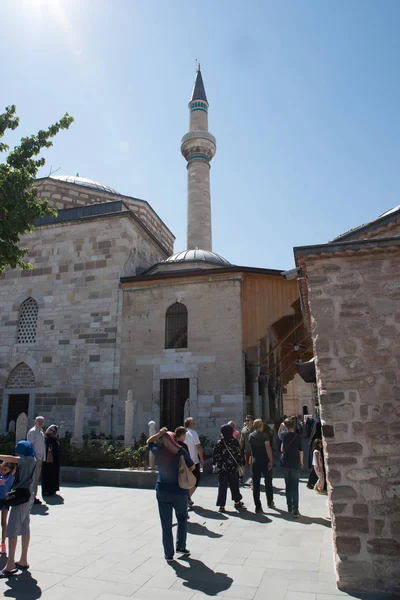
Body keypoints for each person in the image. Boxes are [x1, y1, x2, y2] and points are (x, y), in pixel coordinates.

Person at [147, 426, 194, 561]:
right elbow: (192, 466)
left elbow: (149, 442)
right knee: (182, 519)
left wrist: (159, 433)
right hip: (180, 491)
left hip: (163, 490)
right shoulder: (181, 451)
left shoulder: (159, 451)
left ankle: (168, 554)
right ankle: (181, 547)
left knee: (166, 523)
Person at [0, 440, 36, 577]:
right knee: (25, 526)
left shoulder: (26, 460)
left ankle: (10, 565)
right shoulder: (31, 459)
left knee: (12, 529)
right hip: (28, 495)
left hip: (21, 497)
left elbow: (12, 459)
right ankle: (23, 560)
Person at [213, 424, 244, 512]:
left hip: (222, 468)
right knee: (234, 484)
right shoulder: (234, 442)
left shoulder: (219, 443)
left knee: (222, 486)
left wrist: (216, 464)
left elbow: (215, 455)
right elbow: (238, 454)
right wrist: (240, 463)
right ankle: (237, 501)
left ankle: (221, 505)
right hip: (233, 467)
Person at [249, 419, 275, 513]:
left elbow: (251, 449)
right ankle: (270, 501)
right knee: (268, 481)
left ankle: (258, 506)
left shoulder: (251, 435)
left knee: (256, 484)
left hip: (255, 461)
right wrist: (271, 460)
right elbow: (268, 448)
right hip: (265, 461)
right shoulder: (265, 436)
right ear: (260, 425)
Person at [280, 417, 304, 518]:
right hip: (295, 463)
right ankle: (296, 508)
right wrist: (301, 462)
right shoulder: (298, 437)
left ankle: (289, 506)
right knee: (295, 486)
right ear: (294, 426)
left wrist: (282, 427)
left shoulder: (283, 436)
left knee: (288, 485)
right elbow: (301, 451)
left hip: (285, 462)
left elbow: (282, 449)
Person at [184, 417, 204, 507]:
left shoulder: (182, 433)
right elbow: (198, 447)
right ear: (191, 424)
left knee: (185, 480)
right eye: (194, 423)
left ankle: (186, 498)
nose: (195, 424)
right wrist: (202, 459)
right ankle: (187, 497)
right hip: (193, 461)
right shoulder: (193, 433)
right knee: (196, 480)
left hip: (183, 461)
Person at [27, 416, 45, 504]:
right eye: (39, 421)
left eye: (42, 421)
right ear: (35, 421)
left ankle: (34, 496)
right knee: (33, 479)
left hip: (40, 459)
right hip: (35, 458)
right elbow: (29, 446)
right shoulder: (32, 432)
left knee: (36, 479)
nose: (40, 423)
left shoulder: (41, 432)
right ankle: (31, 497)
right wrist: (34, 457)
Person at [0, 463, 16, 553]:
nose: (3, 471)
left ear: (9, 470)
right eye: (2, 469)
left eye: (5, 469)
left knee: (3, 522)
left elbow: (16, 464)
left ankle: (3, 544)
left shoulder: (10, 476)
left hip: (5, 500)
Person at [41, 424, 60, 496]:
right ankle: (47, 490)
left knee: (53, 474)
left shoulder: (54, 439)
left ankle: (53, 489)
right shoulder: (47, 439)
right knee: (48, 474)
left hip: (54, 461)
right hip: (48, 461)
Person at [240, 415, 254, 483]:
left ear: (252, 421)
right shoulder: (243, 429)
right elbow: (242, 440)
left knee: (251, 466)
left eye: (248, 420)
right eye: (246, 420)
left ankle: (253, 480)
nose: (247, 422)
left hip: (255, 451)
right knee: (249, 465)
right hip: (247, 450)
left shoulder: (255, 428)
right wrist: (240, 448)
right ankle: (253, 479)